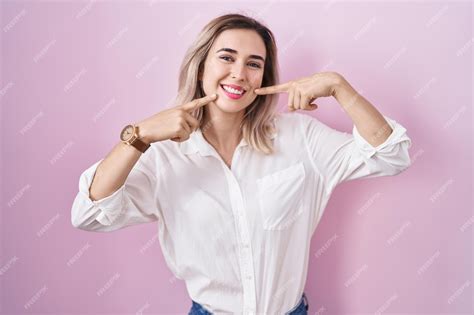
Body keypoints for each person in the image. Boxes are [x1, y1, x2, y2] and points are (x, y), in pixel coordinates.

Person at [71, 13, 412, 315]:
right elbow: (88, 214)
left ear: (263, 76)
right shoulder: (163, 155)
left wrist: (339, 87)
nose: (239, 74)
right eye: (226, 58)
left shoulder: (300, 137)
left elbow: (391, 155)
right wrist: (140, 135)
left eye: (253, 63)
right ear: (201, 66)